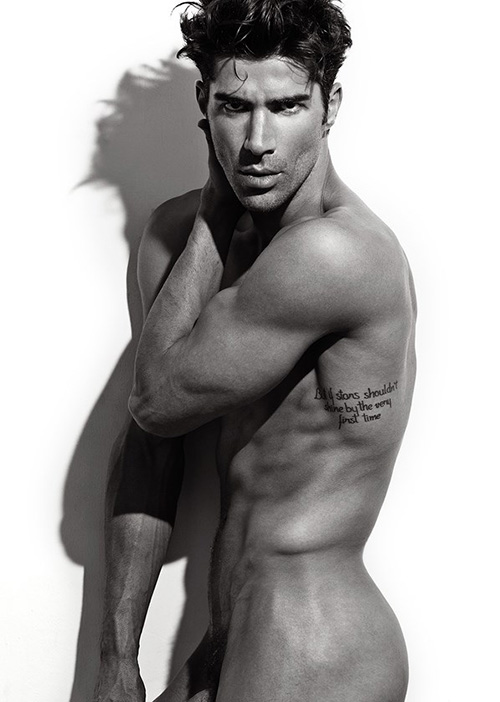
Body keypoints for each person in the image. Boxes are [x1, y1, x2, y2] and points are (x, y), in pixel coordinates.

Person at [95, 1, 416, 701]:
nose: (257, 142)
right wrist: (117, 658)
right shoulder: (173, 240)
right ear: (203, 105)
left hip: (314, 640)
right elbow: (151, 445)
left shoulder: (336, 254)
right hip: (226, 636)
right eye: (236, 107)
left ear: (330, 107)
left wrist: (216, 209)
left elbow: (156, 400)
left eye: (287, 106)